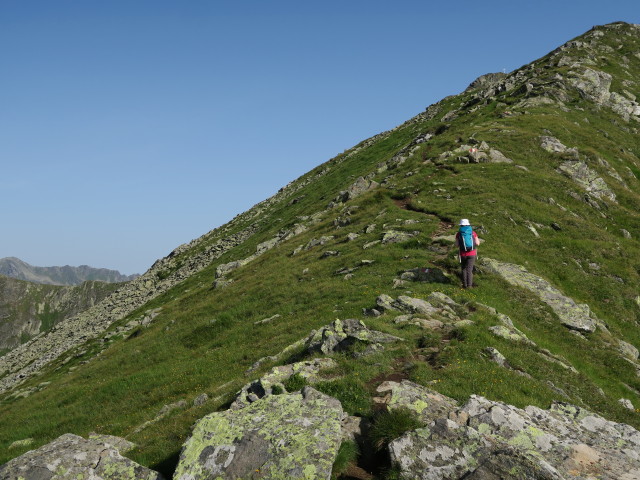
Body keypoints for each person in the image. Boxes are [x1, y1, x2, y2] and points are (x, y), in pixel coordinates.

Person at [455, 219, 480, 288]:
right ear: (468, 224)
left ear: (461, 225)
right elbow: (477, 243)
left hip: (463, 254)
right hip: (472, 254)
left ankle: (464, 285)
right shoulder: (473, 232)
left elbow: (456, 245)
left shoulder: (458, 234)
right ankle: (469, 286)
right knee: (469, 269)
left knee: (464, 269)